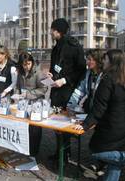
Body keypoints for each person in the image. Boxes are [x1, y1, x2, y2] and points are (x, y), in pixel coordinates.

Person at [73, 49, 125, 181]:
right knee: (115, 164)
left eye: (106, 59)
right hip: (120, 130)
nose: (104, 61)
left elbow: (99, 108)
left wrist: (85, 125)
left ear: (113, 62)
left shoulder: (107, 80)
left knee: (96, 150)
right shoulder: (122, 78)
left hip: (111, 129)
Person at [47, 18, 86, 161]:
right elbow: (54, 66)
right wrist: (51, 74)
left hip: (67, 92)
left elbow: (81, 70)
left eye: (52, 30)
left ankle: (65, 154)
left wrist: (64, 80)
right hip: (55, 92)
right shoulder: (56, 47)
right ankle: (59, 152)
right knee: (56, 124)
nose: (51, 32)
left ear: (58, 31)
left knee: (65, 124)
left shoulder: (74, 46)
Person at [16, 52, 48, 156]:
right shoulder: (20, 72)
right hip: (24, 104)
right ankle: (25, 149)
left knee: (35, 129)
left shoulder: (38, 72)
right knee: (25, 127)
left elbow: (44, 88)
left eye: (28, 64)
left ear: (32, 62)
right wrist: (17, 95)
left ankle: (34, 152)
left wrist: (29, 94)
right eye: (24, 64)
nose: (26, 67)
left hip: (36, 104)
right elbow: (18, 86)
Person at [67, 49, 104, 113]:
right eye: (87, 59)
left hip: (100, 112)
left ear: (97, 60)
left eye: (89, 59)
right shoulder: (88, 74)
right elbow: (79, 91)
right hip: (89, 110)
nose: (87, 62)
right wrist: (70, 105)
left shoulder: (104, 76)